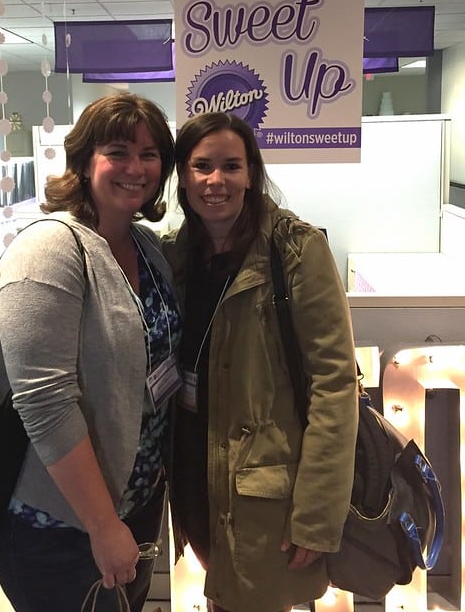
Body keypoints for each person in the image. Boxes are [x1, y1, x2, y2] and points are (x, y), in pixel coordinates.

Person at [0, 93, 182, 612]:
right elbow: (45, 403)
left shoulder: (145, 246)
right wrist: (101, 524)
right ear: (85, 160)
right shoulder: (48, 249)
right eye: (118, 151)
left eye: (150, 153)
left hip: (134, 505)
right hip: (62, 525)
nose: (136, 168)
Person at [162, 112, 358, 612]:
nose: (216, 180)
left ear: (251, 172)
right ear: (183, 175)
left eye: (231, 165)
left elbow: (334, 385)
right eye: (201, 166)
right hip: (194, 469)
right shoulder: (180, 254)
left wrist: (317, 514)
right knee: (222, 596)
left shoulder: (295, 249)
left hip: (264, 488)